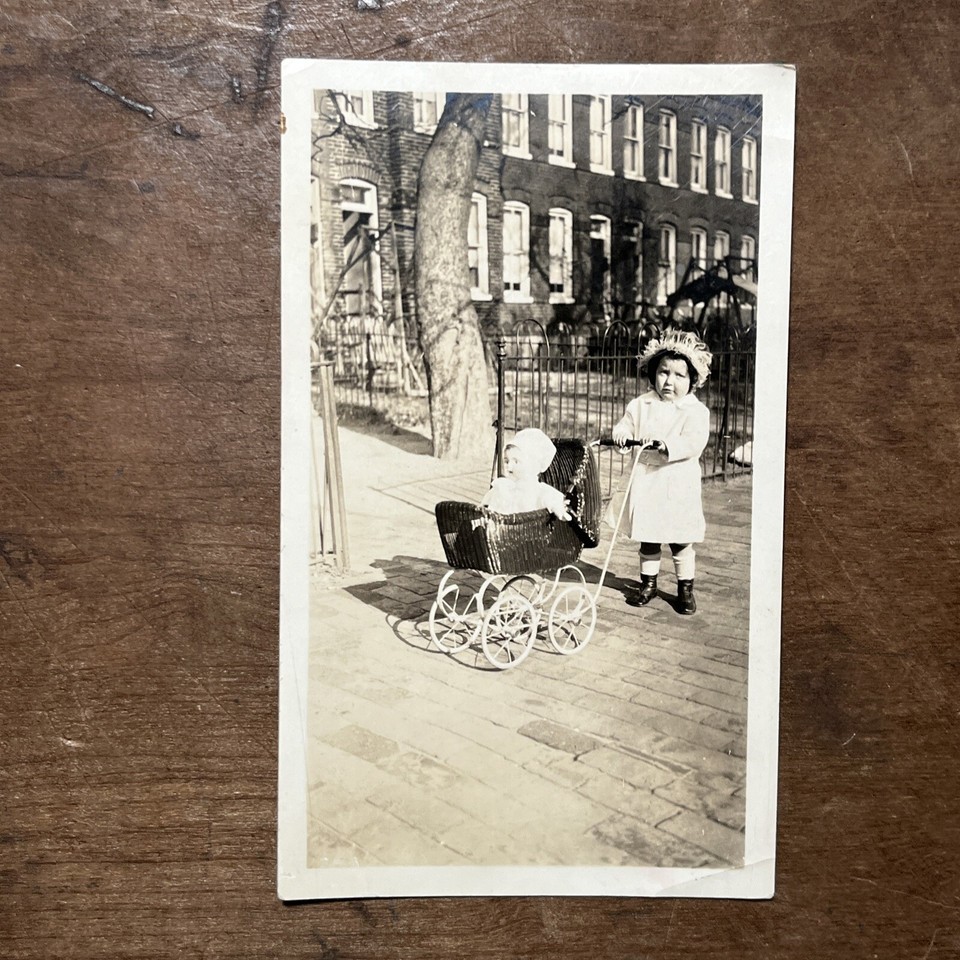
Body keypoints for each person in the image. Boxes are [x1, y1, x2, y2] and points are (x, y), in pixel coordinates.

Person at [612, 330, 712, 614]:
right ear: (653, 373)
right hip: (648, 481)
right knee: (649, 535)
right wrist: (622, 435)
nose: (669, 381)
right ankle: (649, 583)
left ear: (692, 380)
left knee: (680, 539)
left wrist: (667, 445)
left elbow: (694, 441)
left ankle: (685, 589)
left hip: (677, 482)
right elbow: (626, 425)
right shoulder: (641, 404)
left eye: (679, 375)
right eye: (663, 373)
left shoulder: (695, 411)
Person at [482, 428, 571, 520]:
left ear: (532, 465)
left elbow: (552, 499)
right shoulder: (503, 486)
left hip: (527, 527)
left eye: (516, 462)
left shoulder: (537, 489)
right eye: (507, 461)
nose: (509, 466)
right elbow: (486, 504)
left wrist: (560, 510)